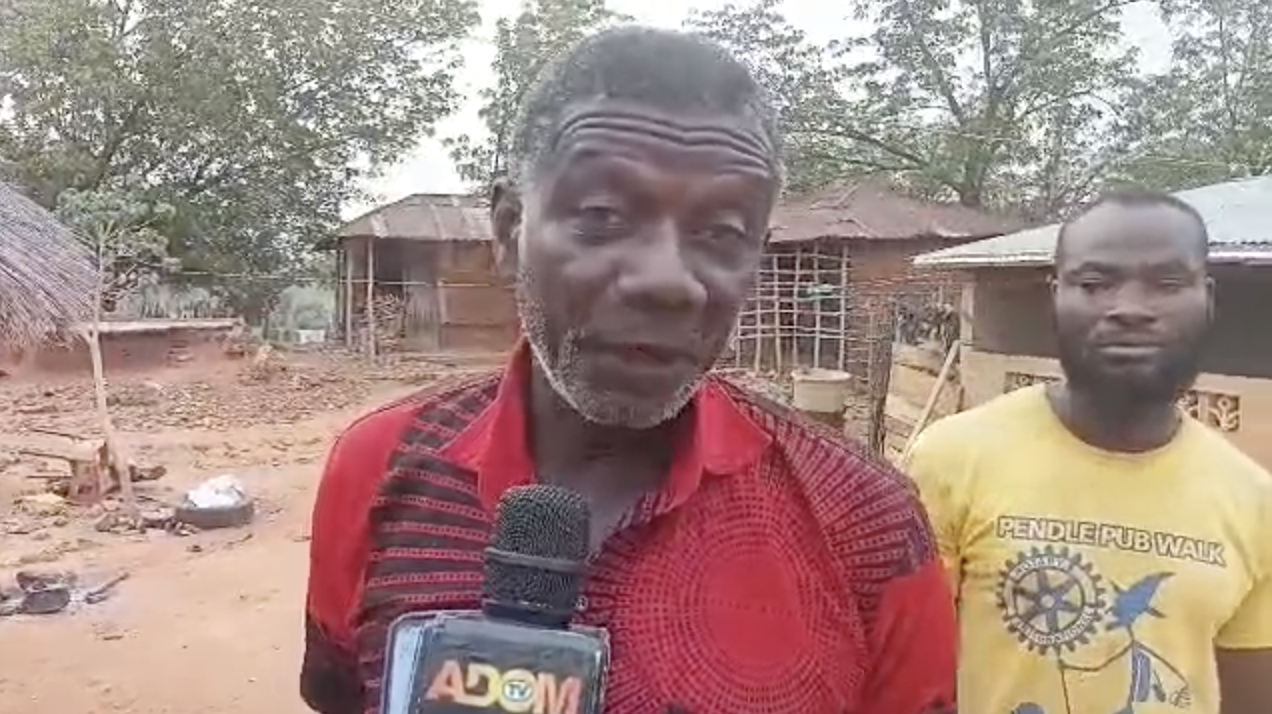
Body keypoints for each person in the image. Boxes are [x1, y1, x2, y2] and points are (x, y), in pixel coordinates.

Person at [301, 26, 956, 714]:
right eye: (604, 214)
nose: (665, 281)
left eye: (721, 233)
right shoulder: (379, 464)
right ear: (509, 230)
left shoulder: (866, 522)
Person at [903, 189, 1272, 714]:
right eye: (1095, 284)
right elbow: (905, 673)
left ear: (1207, 298)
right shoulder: (950, 461)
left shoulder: (1254, 502)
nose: (1130, 309)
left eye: (1167, 285)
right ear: (1056, 297)